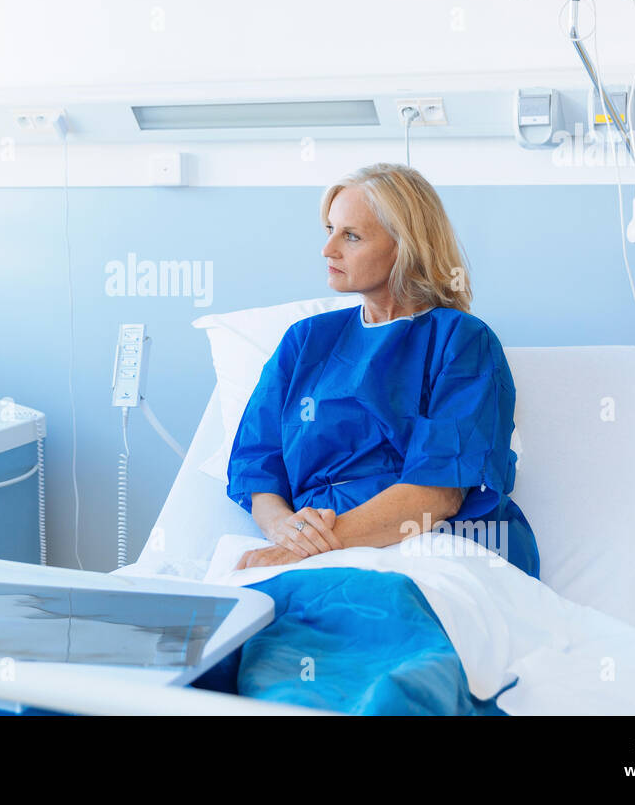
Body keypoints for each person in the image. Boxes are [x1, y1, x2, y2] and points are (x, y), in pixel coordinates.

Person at [227, 162, 539, 579]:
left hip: (433, 544)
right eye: (329, 230)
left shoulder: (461, 341)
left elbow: (439, 491)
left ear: (405, 247)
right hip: (314, 547)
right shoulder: (305, 342)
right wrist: (286, 530)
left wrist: (309, 547)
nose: (328, 249)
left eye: (351, 236)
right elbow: (257, 464)